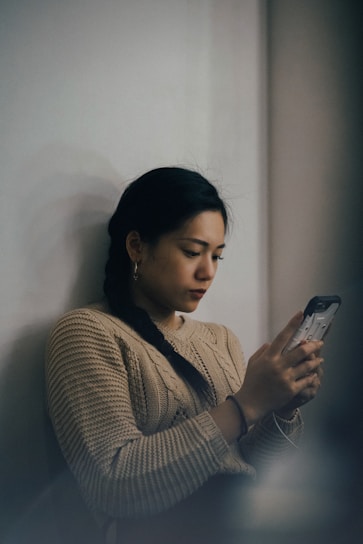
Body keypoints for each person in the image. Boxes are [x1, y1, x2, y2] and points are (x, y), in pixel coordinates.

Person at [45, 167, 323, 543]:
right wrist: (245, 406)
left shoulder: (220, 339)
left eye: (217, 257)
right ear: (136, 247)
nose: (207, 272)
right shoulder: (89, 332)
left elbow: (253, 467)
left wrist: (281, 407)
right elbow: (113, 484)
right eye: (192, 252)